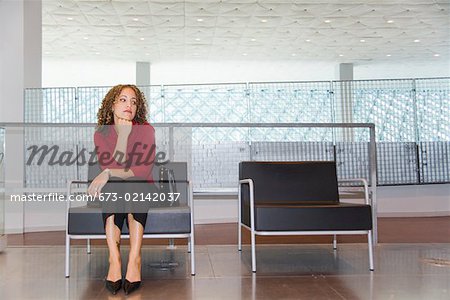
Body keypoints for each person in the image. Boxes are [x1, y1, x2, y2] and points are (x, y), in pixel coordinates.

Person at [88, 84, 156, 295]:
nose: (130, 105)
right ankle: (114, 258)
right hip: (115, 191)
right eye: (123, 99)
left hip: (142, 188)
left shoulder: (146, 130)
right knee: (116, 186)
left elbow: (142, 171)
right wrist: (123, 136)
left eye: (134, 102)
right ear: (112, 105)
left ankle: (134, 258)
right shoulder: (101, 133)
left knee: (131, 184)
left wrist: (108, 172)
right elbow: (112, 162)